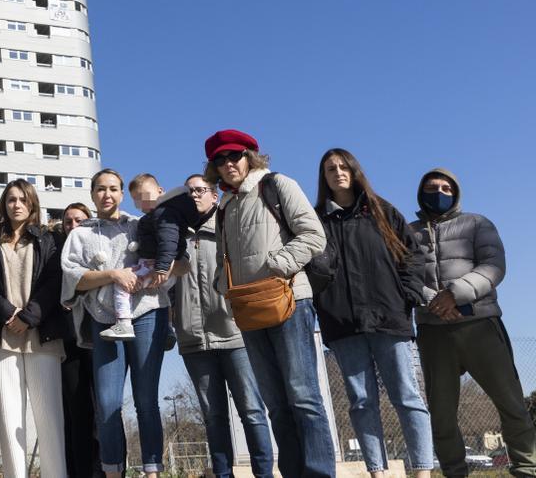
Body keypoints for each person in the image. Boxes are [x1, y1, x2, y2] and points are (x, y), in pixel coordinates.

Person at [203, 129, 334, 478]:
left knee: (303, 397)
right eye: (220, 159)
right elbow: (222, 258)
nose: (228, 163)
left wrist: (277, 264)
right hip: (248, 308)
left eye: (234, 156)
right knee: (275, 403)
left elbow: (313, 235)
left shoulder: (277, 185)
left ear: (250, 156)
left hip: (288, 299)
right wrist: (225, 286)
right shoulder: (224, 206)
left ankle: (319, 473)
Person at [308, 149, 433, 477]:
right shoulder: (314, 220)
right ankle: (377, 471)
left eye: (343, 166)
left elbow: (413, 256)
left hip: (389, 318)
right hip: (343, 325)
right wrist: (324, 306)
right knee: (361, 403)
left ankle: (422, 469)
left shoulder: (381, 210)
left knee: (407, 396)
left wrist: (407, 295)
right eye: (330, 169)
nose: (338, 172)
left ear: (354, 170)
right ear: (324, 177)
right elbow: (308, 268)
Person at [411, 168, 536, 477]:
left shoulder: (477, 224)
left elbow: (493, 266)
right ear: (420, 192)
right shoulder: (407, 232)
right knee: (441, 416)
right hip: (433, 331)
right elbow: (404, 277)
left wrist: (455, 294)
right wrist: (434, 302)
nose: (438, 193)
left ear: (455, 194)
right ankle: (455, 472)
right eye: (431, 187)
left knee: (512, 405)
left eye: (445, 188)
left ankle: (527, 468)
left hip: (480, 325)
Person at [61, 169, 171, 478]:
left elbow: (170, 259)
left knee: (146, 399)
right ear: (92, 194)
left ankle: (152, 471)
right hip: (103, 319)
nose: (106, 194)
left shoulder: (141, 225)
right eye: (100, 189)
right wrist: (113, 274)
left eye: (113, 189)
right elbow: (72, 280)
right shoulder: (80, 234)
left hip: (148, 312)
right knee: (108, 403)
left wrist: (154, 274)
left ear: (122, 194)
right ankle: (112, 471)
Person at [172, 176, 274, 478]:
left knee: (252, 410)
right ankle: (222, 474)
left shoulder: (228, 225)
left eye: (200, 190)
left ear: (214, 196)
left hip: (235, 333)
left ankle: (264, 473)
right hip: (193, 340)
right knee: (212, 416)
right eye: (188, 191)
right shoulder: (174, 235)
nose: (194, 196)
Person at [0, 179, 67, 478]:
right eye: (11, 199)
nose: (16, 205)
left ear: (32, 204)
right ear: (4, 204)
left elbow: (55, 282)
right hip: (3, 338)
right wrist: (9, 314)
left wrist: (28, 317)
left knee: (49, 418)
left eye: (22, 200)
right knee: (9, 415)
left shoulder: (49, 239)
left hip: (42, 336)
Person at [100, 174, 196, 341]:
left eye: (144, 196)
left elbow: (168, 240)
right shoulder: (155, 216)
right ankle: (167, 329)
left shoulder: (163, 214)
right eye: (136, 199)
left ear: (160, 191)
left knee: (122, 286)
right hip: (161, 265)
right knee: (162, 296)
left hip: (156, 264)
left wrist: (162, 267)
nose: (141, 203)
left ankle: (123, 323)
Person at [53, 204, 104, 478]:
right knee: (75, 413)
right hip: (69, 343)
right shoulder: (56, 256)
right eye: (68, 221)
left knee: (105, 409)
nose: (73, 225)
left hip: (99, 337)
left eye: (80, 220)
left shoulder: (99, 248)